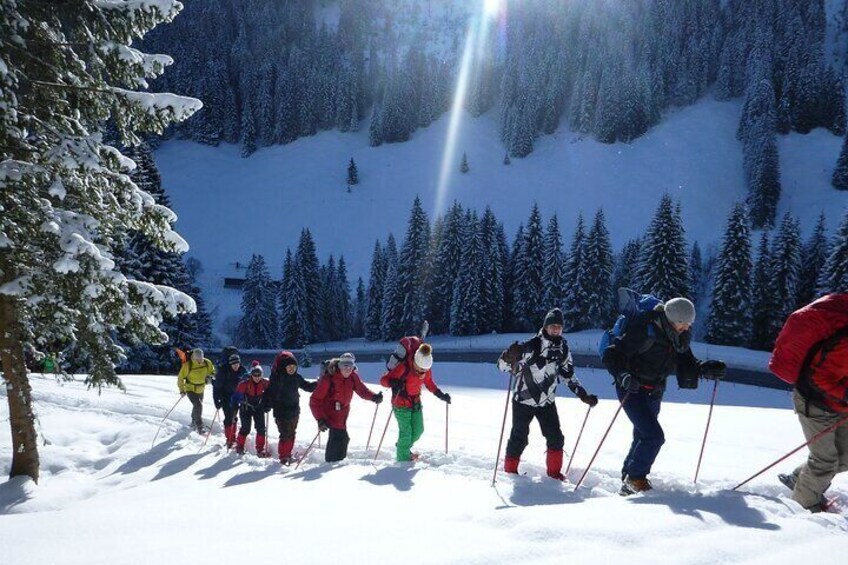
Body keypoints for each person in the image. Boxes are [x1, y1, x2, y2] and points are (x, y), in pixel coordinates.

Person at [602, 296, 725, 495]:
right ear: (671, 318)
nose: (686, 328)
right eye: (682, 323)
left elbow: (686, 363)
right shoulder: (645, 329)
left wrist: (705, 369)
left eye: (689, 324)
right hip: (631, 389)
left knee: (643, 435)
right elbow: (612, 354)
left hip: (654, 391)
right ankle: (635, 478)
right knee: (654, 436)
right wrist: (623, 375)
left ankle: (628, 477)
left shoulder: (678, 336)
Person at [497, 308, 598, 480]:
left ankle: (554, 474)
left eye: (559, 326)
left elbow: (568, 375)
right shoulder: (530, 346)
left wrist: (582, 394)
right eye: (552, 326)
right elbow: (502, 367)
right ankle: (510, 472)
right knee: (519, 438)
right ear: (545, 327)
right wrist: (508, 356)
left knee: (556, 438)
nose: (556, 329)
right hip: (523, 401)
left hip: (547, 402)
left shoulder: (563, 348)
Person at [772, 294, 848, 513]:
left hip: (838, 404)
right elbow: (818, 378)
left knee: (844, 457)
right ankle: (803, 512)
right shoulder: (845, 344)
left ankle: (799, 481)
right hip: (814, 402)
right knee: (824, 461)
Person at [380, 340, 451, 462]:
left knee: (418, 430)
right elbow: (383, 380)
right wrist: (394, 382)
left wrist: (441, 395)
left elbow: (429, 383)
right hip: (400, 404)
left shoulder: (425, 368)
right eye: (420, 369)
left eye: (425, 370)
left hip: (415, 403)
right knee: (406, 432)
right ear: (414, 362)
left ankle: (403, 447)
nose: (422, 373)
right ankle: (403, 461)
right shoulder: (404, 367)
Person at [310, 353, 382, 462]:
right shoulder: (329, 379)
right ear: (339, 366)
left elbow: (361, 390)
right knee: (338, 438)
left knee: (342, 438)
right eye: (344, 366)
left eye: (350, 366)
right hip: (330, 413)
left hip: (343, 413)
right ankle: (332, 463)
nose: (347, 369)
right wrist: (320, 419)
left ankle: (336, 462)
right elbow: (314, 400)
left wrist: (374, 397)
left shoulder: (353, 377)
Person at [266, 351, 317, 464]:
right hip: (281, 412)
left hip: (294, 410)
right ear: (283, 367)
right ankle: (283, 457)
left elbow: (307, 386)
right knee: (285, 435)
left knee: (292, 433)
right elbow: (269, 393)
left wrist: (318, 384)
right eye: (289, 367)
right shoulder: (276, 379)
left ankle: (287, 454)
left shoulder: (296, 377)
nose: (291, 369)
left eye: (294, 367)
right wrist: (267, 404)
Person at [231, 361, 271, 456]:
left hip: (258, 408)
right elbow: (235, 397)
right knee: (246, 428)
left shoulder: (265, 383)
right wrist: (234, 409)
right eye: (254, 375)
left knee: (261, 429)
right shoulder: (244, 384)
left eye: (259, 375)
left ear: (262, 375)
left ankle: (260, 450)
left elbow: (271, 394)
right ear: (251, 375)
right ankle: (239, 446)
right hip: (245, 408)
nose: (257, 377)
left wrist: (268, 404)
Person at [177, 348, 216, 433]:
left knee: (197, 406)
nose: (199, 360)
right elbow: (180, 378)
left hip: (201, 388)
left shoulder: (207, 362)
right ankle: (200, 426)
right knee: (198, 405)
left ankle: (193, 421)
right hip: (190, 388)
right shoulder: (188, 365)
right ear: (193, 357)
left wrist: (210, 377)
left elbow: (212, 372)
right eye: (197, 359)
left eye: (201, 358)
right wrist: (182, 390)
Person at [213, 352, 247, 449]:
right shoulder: (224, 371)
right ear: (230, 364)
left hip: (237, 398)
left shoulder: (242, 371)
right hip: (226, 397)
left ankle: (233, 437)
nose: (236, 366)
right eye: (233, 364)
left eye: (237, 363)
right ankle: (230, 439)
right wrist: (216, 400)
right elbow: (217, 387)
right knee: (229, 417)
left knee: (234, 417)